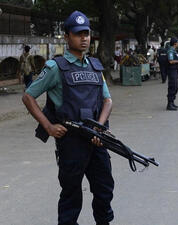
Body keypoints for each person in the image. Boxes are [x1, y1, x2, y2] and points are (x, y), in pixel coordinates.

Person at [22, 11, 114, 225]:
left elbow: (107, 100)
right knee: (71, 195)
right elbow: (28, 97)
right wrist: (48, 126)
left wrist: (99, 127)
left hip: (96, 139)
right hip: (71, 143)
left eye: (87, 34)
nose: (84, 38)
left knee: (104, 189)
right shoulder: (55, 67)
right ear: (66, 37)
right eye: (78, 34)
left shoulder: (95, 66)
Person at [166, 37, 178, 111]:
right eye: (177, 42)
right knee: (172, 87)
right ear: (175, 43)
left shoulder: (174, 50)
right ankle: (169, 104)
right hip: (171, 70)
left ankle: (172, 103)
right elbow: (170, 61)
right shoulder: (170, 51)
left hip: (175, 70)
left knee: (175, 87)